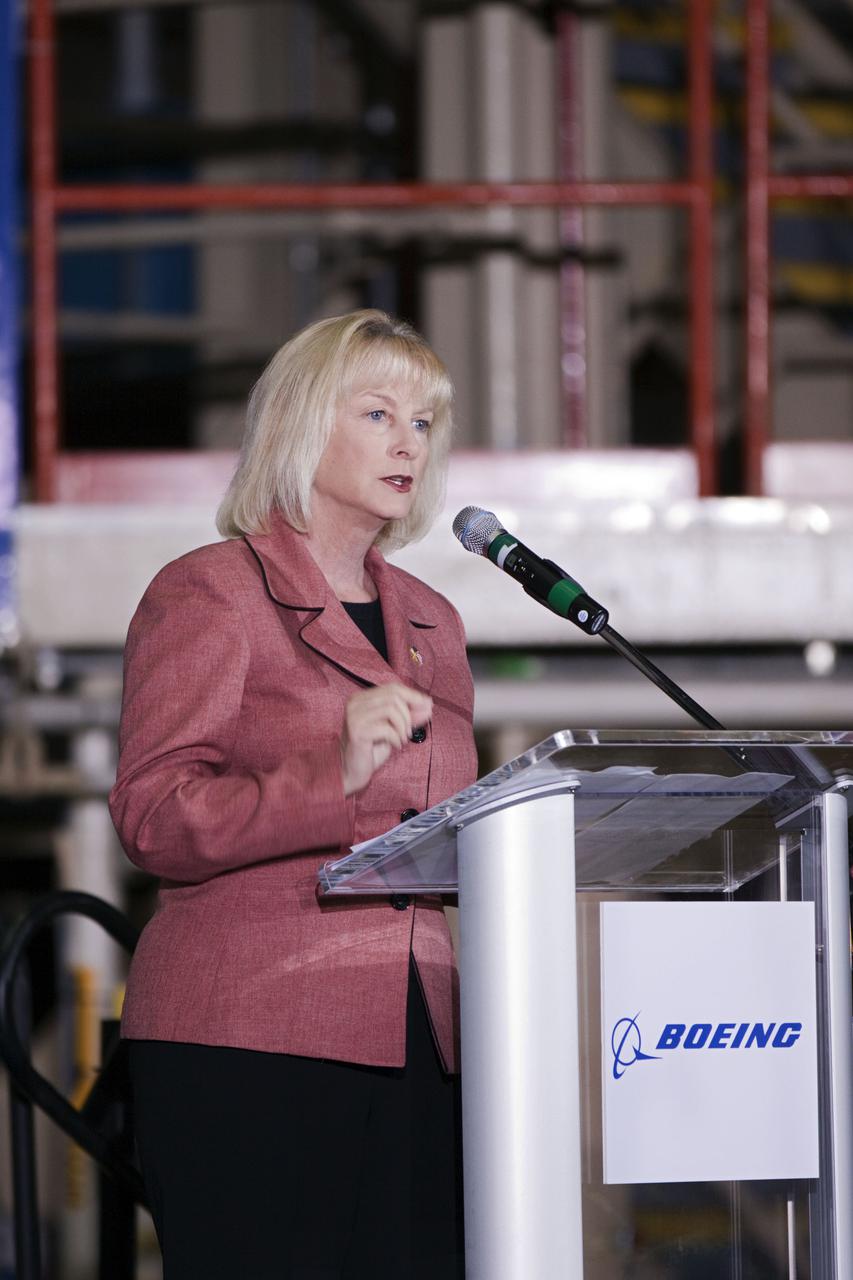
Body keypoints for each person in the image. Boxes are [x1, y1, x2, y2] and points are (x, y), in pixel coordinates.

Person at [109, 309, 478, 1280]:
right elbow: (153, 815)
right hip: (252, 1034)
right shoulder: (211, 592)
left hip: (421, 1038)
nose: (408, 442)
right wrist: (331, 774)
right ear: (302, 423)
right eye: (378, 413)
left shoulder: (433, 621)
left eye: (424, 422)